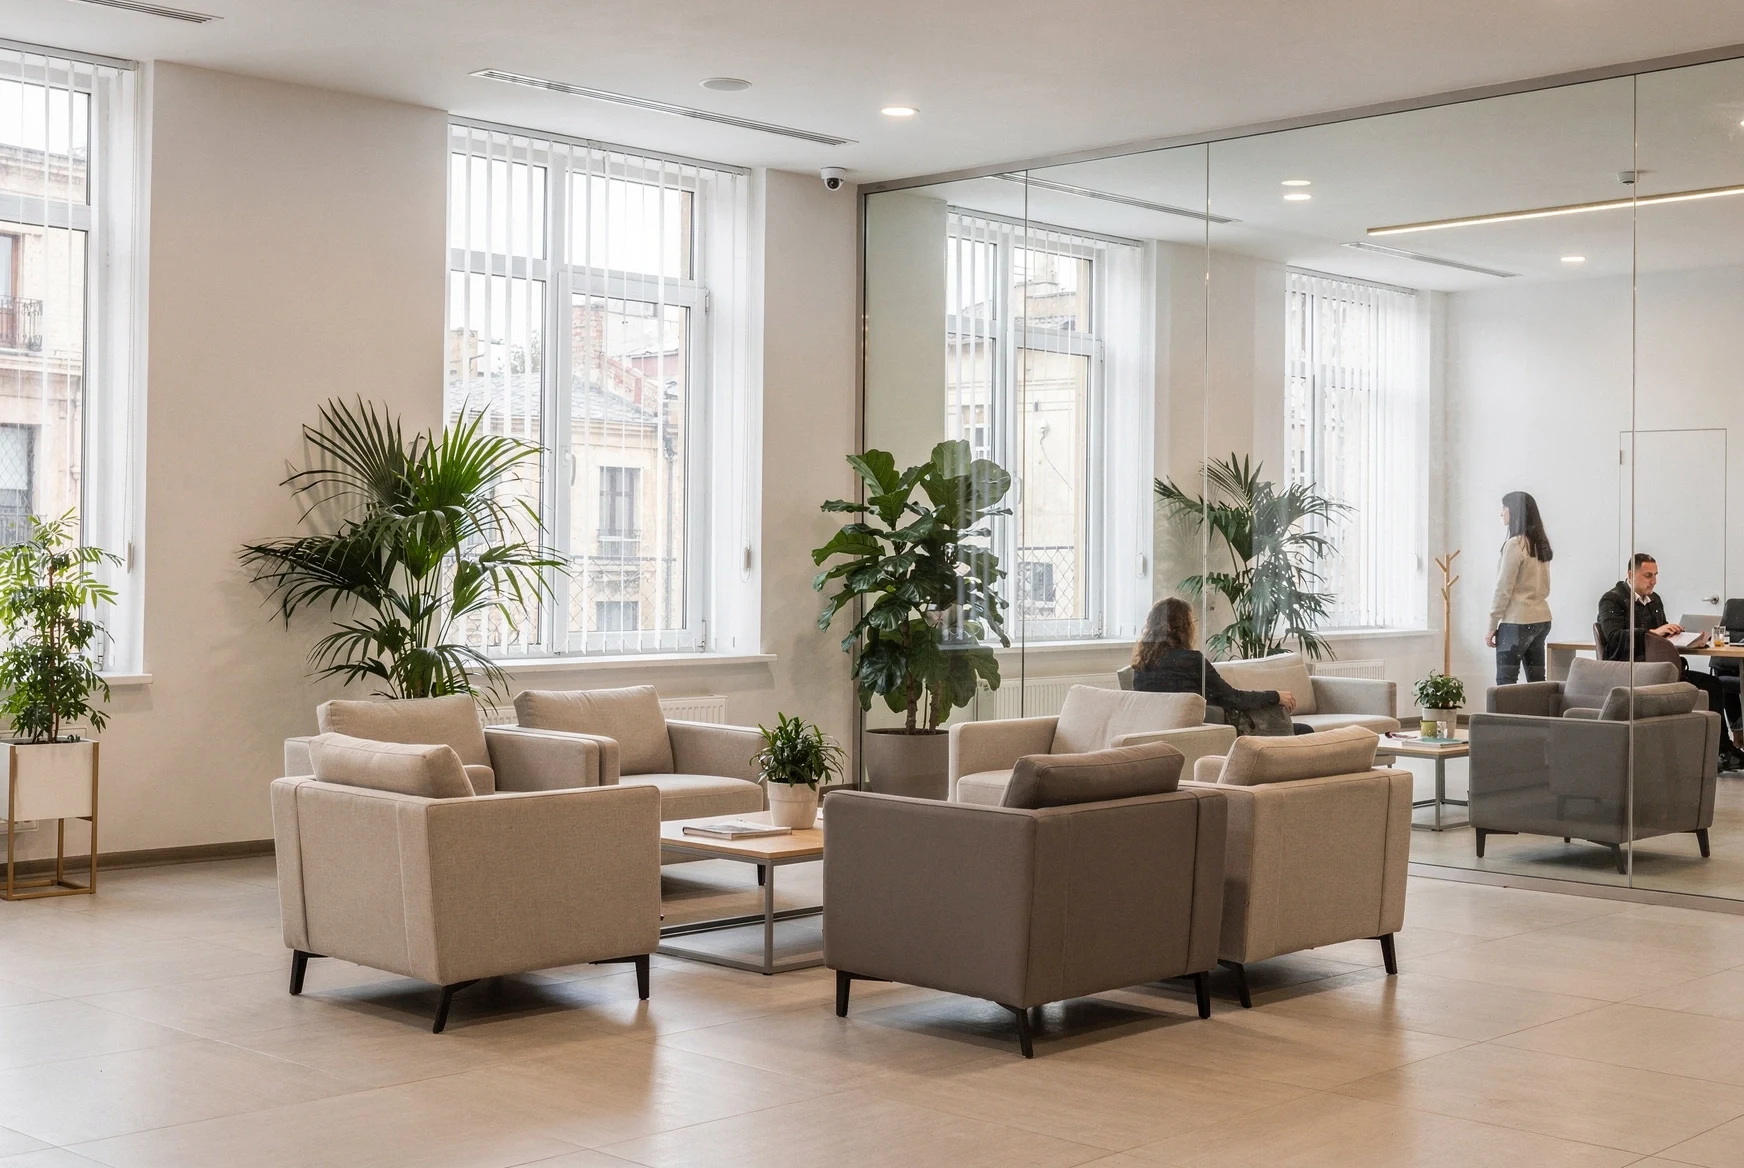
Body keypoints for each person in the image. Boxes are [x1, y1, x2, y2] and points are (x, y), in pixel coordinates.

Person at [1597, 553, 1744, 770]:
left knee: (1713, 685)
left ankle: (1722, 750)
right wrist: (1655, 632)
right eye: (1648, 575)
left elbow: (1660, 636)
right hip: (1637, 672)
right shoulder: (1613, 599)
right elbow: (1615, 638)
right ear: (1631, 574)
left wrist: (1680, 636)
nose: (1653, 581)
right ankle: (1720, 751)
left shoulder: (1654, 600)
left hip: (1662, 668)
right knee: (1709, 687)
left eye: (1655, 575)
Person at [1130, 598, 1300, 736]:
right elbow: (1233, 698)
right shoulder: (1191, 660)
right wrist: (1275, 696)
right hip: (1211, 732)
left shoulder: (1141, 665)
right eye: (1191, 622)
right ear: (1180, 629)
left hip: (1166, 733)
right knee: (1303, 730)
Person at [1486, 491, 1553, 686]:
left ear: (1513, 511)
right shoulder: (1538, 544)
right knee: (1538, 683)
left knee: (1505, 684)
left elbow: (1503, 588)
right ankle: (1540, 716)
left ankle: (1504, 718)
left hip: (1517, 621)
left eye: (1503, 508)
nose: (1501, 513)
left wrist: (1492, 625)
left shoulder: (1515, 544)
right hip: (1542, 619)